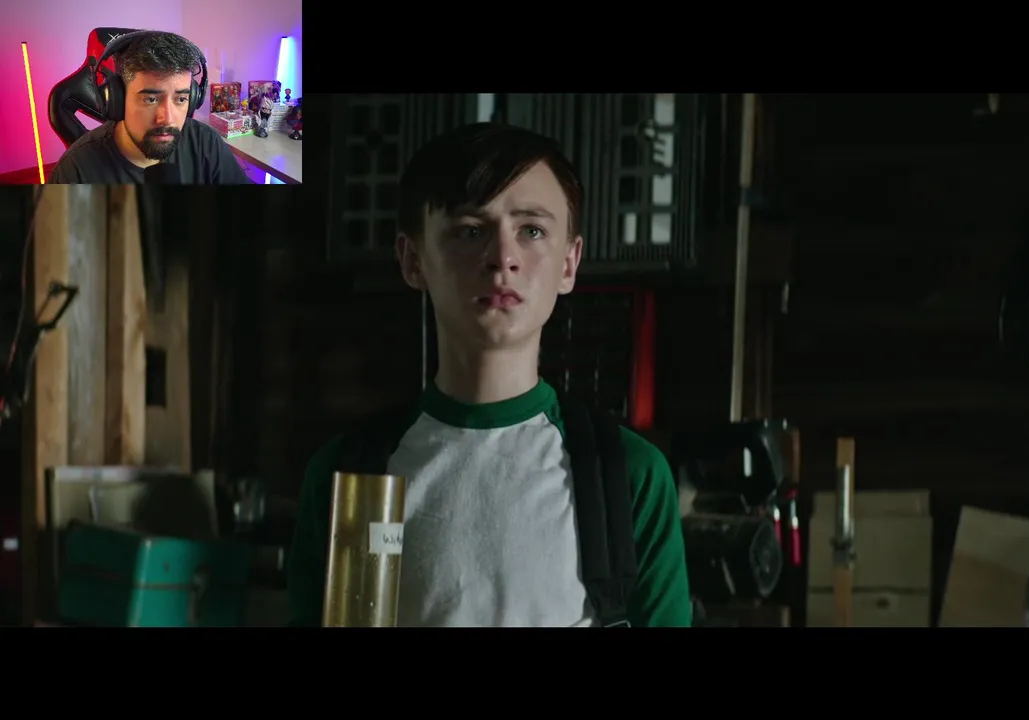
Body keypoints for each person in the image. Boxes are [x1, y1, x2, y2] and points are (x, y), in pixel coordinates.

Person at [287, 122, 691, 627]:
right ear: (413, 260)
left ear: (569, 263)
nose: (503, 258)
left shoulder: (627, 475)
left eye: (532, 231)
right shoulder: (350, 473)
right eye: (470, 230)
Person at [48, 31, 249, 184]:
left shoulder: (206, 144)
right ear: (118, 99)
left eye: (180, 99)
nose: (168, 119)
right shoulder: (75, 170)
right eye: (151, 99)